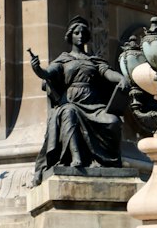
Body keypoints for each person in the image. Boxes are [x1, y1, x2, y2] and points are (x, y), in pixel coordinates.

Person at [30, 17, 129, 185]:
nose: (80, 35)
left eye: (83, 32)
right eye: (76, 32)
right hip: (71, 102)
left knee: (113, 122)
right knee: (69, 112)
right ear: (71, 36)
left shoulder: (93, 60)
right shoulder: (63, 59)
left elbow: (107, 73)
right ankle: (76, 157)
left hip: (94, 104)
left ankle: (109, 161)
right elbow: (48, 74)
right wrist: (37, 69)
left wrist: (122, 78)